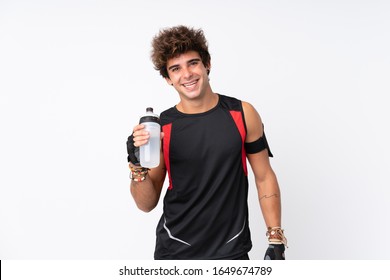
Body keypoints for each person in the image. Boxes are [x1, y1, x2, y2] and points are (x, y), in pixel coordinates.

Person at [127, 25, 287, 260]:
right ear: (167, 78)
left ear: (207, 64)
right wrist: (136, 165)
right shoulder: (162, 128)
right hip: (175, 252)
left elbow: (264, 176)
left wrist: (275, 238)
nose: (187, 74)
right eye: (176, 68)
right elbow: (146, 204)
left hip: (231, 251)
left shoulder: (243, 113)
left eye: (193, 63)